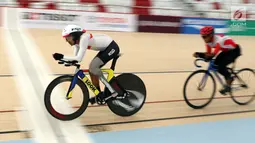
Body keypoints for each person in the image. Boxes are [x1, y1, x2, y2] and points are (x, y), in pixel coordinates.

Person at [52, 24, 120, 104]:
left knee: (93, 67)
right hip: (105, 48)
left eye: (68, 37)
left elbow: (79, 58)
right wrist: (66, 60)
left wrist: (62, 56)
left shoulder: (84, 38)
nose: (67, 40)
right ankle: (99, 94)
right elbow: (76, 58)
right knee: (92, 70)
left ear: (74, 35)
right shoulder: (77, 42)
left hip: (112, 47)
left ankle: (113, 91)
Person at [193, 26, 242, 95]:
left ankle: (229, 80)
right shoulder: (208, 42)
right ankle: (227, 76)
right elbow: (208, 54)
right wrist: (200, 55)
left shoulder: (218, 41)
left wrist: (200, 55)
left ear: (210, 35)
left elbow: (212, 55)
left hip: (234, 51)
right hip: (226, 51)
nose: (203, 38)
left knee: (221, 67)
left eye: (204, 36)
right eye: (202, 36)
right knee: (216, 64)